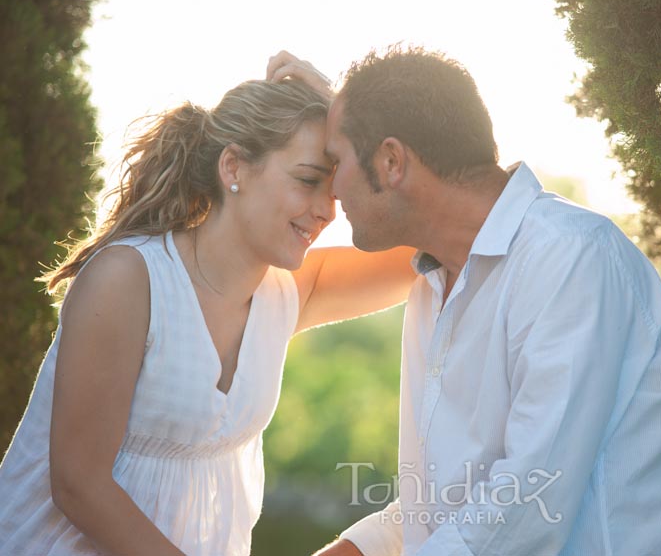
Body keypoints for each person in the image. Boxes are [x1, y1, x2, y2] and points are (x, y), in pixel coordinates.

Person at [268, 47, 661, 556]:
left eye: (336, 161)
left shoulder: (571, 260)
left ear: (390, 162)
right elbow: (443, 510)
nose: (333, 190)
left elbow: (523, 509)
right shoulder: (433, 284)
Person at [0, 67, 417, 555]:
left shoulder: (288, 291)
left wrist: (343, 106)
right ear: (233, 167)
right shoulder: (129, 279)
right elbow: (79, 485)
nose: (327, 209)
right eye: (307, 180)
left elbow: (440, 225)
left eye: (334, 187)